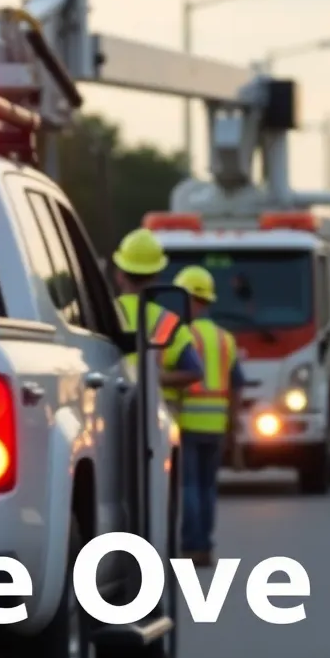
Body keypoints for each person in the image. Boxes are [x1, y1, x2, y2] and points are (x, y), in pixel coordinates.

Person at [168, 265, 246, 567]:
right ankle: (204, 546)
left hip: (186, 421)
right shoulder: (225, 338)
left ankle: (191, 545)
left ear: (189, 299)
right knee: (207, 487)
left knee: (188, 487)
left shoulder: (181, 334)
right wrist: (233, 427)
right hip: (215, 425)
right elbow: (236, 385)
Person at [110, 228, 202, 395]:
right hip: (155, 413)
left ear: (119, 274)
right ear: (156, 277)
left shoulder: (101, 311)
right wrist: (152, 379)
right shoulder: (168, 320)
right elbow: (195, 371)